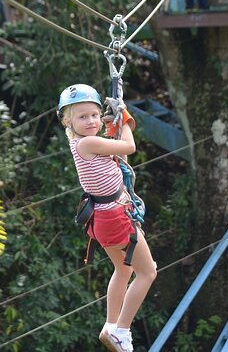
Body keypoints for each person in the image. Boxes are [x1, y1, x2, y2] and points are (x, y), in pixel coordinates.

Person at [58, 84, 157, 352]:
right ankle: (122, 330)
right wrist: (124, 117)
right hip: (114, 216)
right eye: (82, 117)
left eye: (94, 115)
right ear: (68, 121)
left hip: (103, 217)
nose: (90, 121)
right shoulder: (88, 143)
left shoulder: (81, 142)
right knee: (147, 273)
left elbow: (119, 153)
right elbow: (129, 146)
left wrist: (112, 126)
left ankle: (111, 326)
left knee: (123, 269)